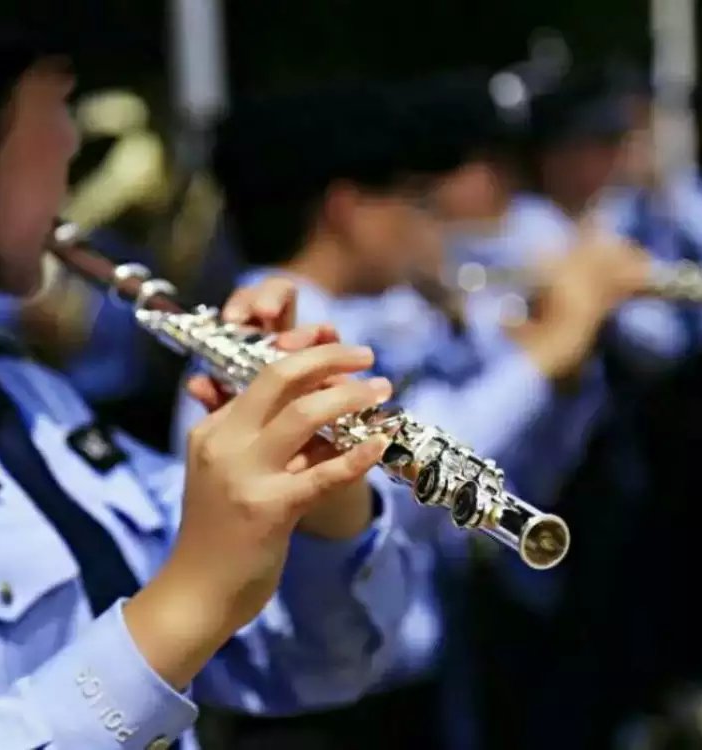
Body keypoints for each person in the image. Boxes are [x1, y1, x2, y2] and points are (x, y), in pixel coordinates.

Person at [0, 4, 419, 748]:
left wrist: (316, 493)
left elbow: (314, 665)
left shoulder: (17, 391)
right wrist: (185, 605)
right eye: (60, 102)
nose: (72, 144)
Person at [171, 73, 659, 750]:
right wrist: (546, 351)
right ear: (346, 209)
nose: (431, 226)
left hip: (403, 688)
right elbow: (399, 490)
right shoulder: (269, 342)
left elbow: (500, 486)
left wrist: (555, 366)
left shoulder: (365, 324)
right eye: (415, 202)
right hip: (315, 721)